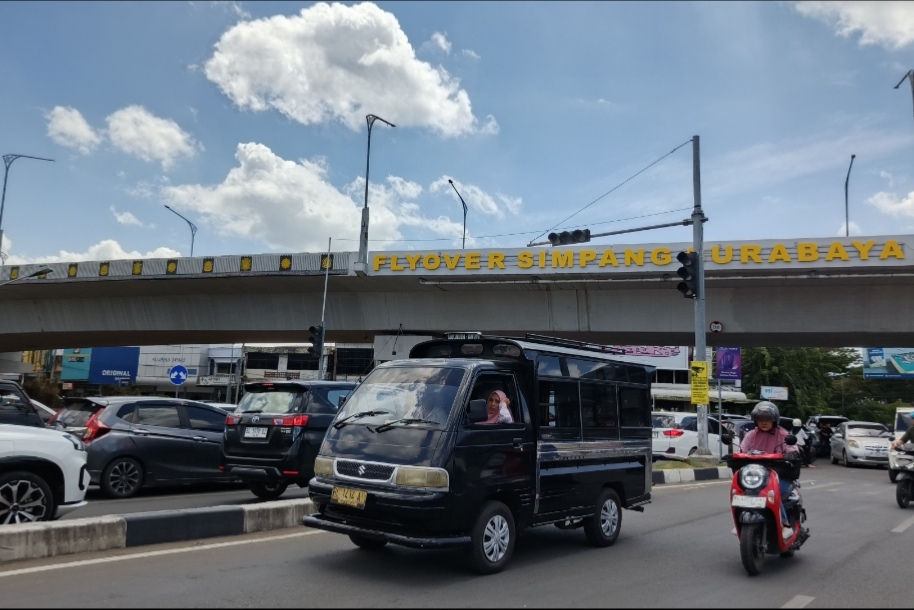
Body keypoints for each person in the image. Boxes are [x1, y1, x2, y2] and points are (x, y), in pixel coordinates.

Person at [739, 402, 800, 541]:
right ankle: (741, 520)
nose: (764, 422)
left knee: (773, 492)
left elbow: (793, 450)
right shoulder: (751, 435)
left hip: (779, 476)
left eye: (767, 419)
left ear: (774, 420)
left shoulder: (783, 435)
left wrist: (790, 455)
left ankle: (785, 525)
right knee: (741, 490)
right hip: (756, 476)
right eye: (760, 419)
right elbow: (742, 450)